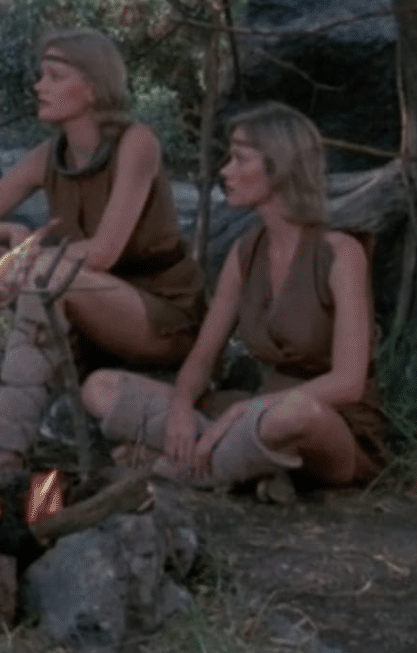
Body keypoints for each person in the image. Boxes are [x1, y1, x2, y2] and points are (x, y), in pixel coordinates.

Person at [0, 28, 204, 483]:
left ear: (93, 87)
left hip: (157, 317)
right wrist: (9, 232)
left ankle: (2, 450)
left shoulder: (137, 143)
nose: (39, 86)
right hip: (79, 306)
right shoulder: (47, 155)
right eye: (42, 75)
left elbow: (104, 252)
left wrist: (20, 265)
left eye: (55, 76)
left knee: (44, 270)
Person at [81, 101, 385, 499]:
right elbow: (203, 359)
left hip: (326, 423)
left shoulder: (341, 253)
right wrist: (181, 409)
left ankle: (178, 467)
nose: (225, 171)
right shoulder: (244, 252)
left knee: (293, 415)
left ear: (279, 166)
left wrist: (245, 412)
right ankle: (246, 466)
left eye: (240, 159)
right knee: (100, 388)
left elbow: (348, 384)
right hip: (249, 415)